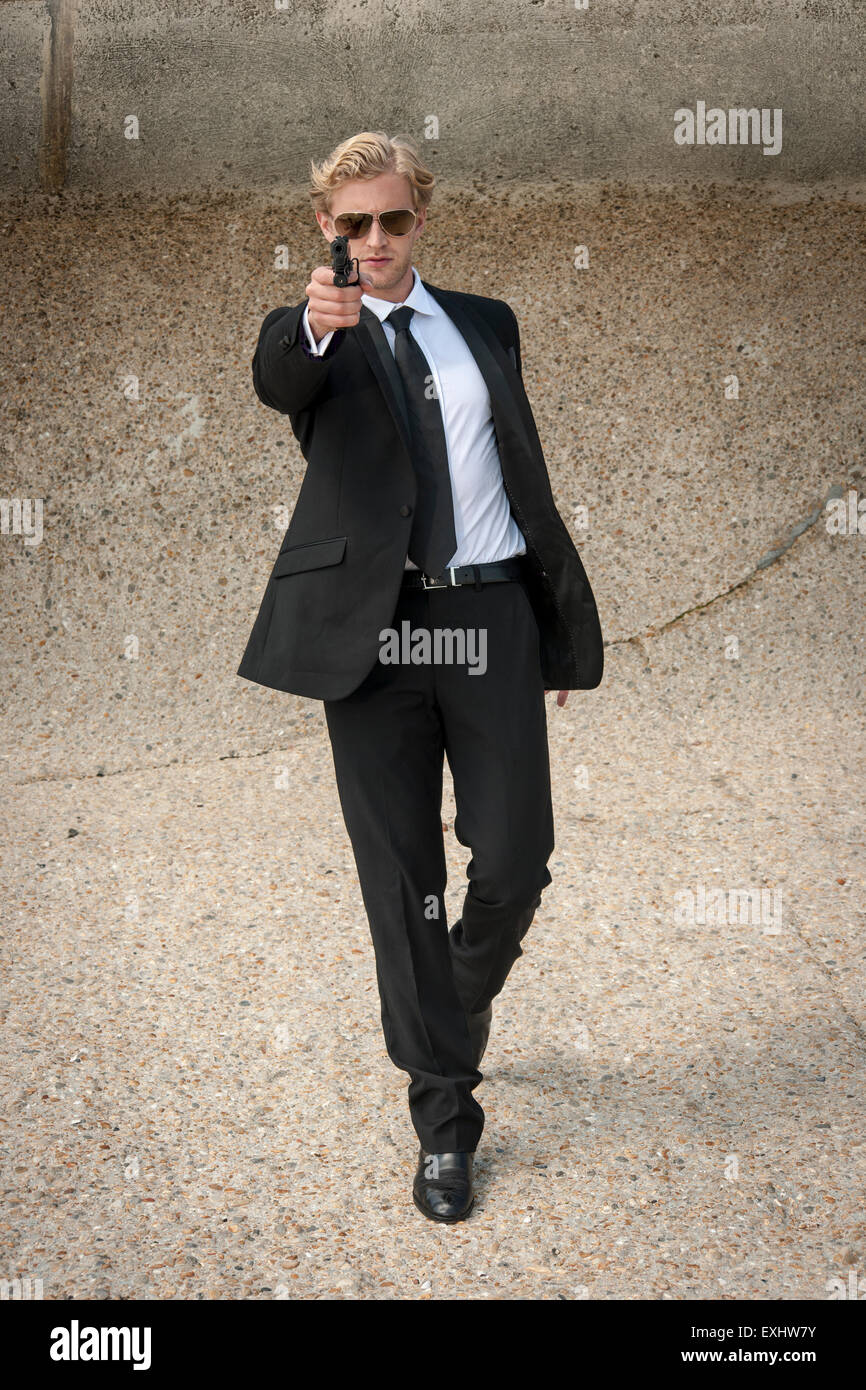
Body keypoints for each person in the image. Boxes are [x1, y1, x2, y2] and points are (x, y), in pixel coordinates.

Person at [238, 131, 603, 1223]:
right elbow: (276, 379)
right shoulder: (314, 330)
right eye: (352, 224)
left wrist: (546, 625)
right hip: (376, 634)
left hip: (486, 615)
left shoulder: (484, 323)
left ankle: (451, 1000)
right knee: (405, 882)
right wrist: (315, 317)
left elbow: (521, 472)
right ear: (325, 230)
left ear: (419, 219)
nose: (374, 240)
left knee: (515, 856)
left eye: (392, 219)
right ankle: (445, 1119)